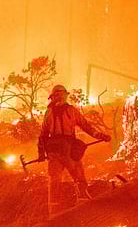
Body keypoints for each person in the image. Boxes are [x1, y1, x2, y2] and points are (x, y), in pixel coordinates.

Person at [37, 84, 110, 216]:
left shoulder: (53, 112)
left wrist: (41, 153)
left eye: (60, 95)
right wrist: (41, 153)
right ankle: (82, 207)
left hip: (58, 151)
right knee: (75, 177)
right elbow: (86, 126)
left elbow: (42, 135)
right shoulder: (65, 111)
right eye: (58, 95)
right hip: (65, 152)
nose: (59, 97)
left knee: (56, 181)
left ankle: (55, 214)